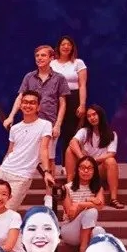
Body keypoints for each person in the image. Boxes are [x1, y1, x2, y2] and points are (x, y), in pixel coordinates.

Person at [0, 90, 55, 212]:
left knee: (8, 211)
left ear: (38, 107)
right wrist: (2, 166)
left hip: (22, 176)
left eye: (32, 103)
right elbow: (10, 151)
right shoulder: (15, 128)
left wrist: (47, 172)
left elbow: (44, 149)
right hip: (3, 172)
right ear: (21, 105)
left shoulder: (45, 125)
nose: (28, 105)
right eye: (25, 102)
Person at [6, 44, 70, 143]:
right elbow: (20, 97)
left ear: (51, 58)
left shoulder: (59, 78)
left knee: (47, 152)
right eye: (37, 55)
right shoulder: (29, 77)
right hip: (30, 123)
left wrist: (58, 125)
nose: (39, 58)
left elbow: (63, 104)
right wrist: (11, 117)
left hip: (50, 124)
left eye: (43, 55)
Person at [66, 102, 122, 208]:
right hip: (84, 168)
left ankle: (113, 199)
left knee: (111, 161)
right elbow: (72, 142)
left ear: (100, 115)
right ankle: (69, 189)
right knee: (70, 150)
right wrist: (82, 159)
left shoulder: (111, 134)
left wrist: (93, 161)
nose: (92, 118)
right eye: (89, 116)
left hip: (98, 169)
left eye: (94, 114)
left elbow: (111, 153)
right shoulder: (84, 131)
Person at [49, 35, 88, 168]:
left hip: (73, 98)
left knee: (70, 132)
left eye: (68, 44)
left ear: (72, 47)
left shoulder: (78, 63)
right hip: (54, 98)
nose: (66, 47)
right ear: (58, 47)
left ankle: (67, 166)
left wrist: (82, 104)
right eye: (63, 44)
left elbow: (82, 85)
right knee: (52, 131)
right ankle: (48, 165)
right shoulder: (52, 63)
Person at [57, 155, 105, 252]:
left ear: (94, 171)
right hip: (70, 230)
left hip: (86, 230)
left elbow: (100, 206)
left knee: (100, 231)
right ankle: (83, 249)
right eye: (83, 168)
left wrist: (80, 204)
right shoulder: (67, 188)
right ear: (77, 170)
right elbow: (71, 215)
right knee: (91, 211)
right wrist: (91, 203)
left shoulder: (98, 188)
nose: (86, 171)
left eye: (89, 168)